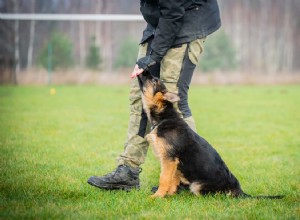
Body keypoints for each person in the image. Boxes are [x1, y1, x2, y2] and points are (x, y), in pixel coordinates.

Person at [87, 0, 221, 191]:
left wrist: (153, 55)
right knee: (140, 97)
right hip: (160, 22)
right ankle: (128, 171)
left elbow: (173, 12)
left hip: (189, 20)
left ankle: (186, 177)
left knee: (172, 98)